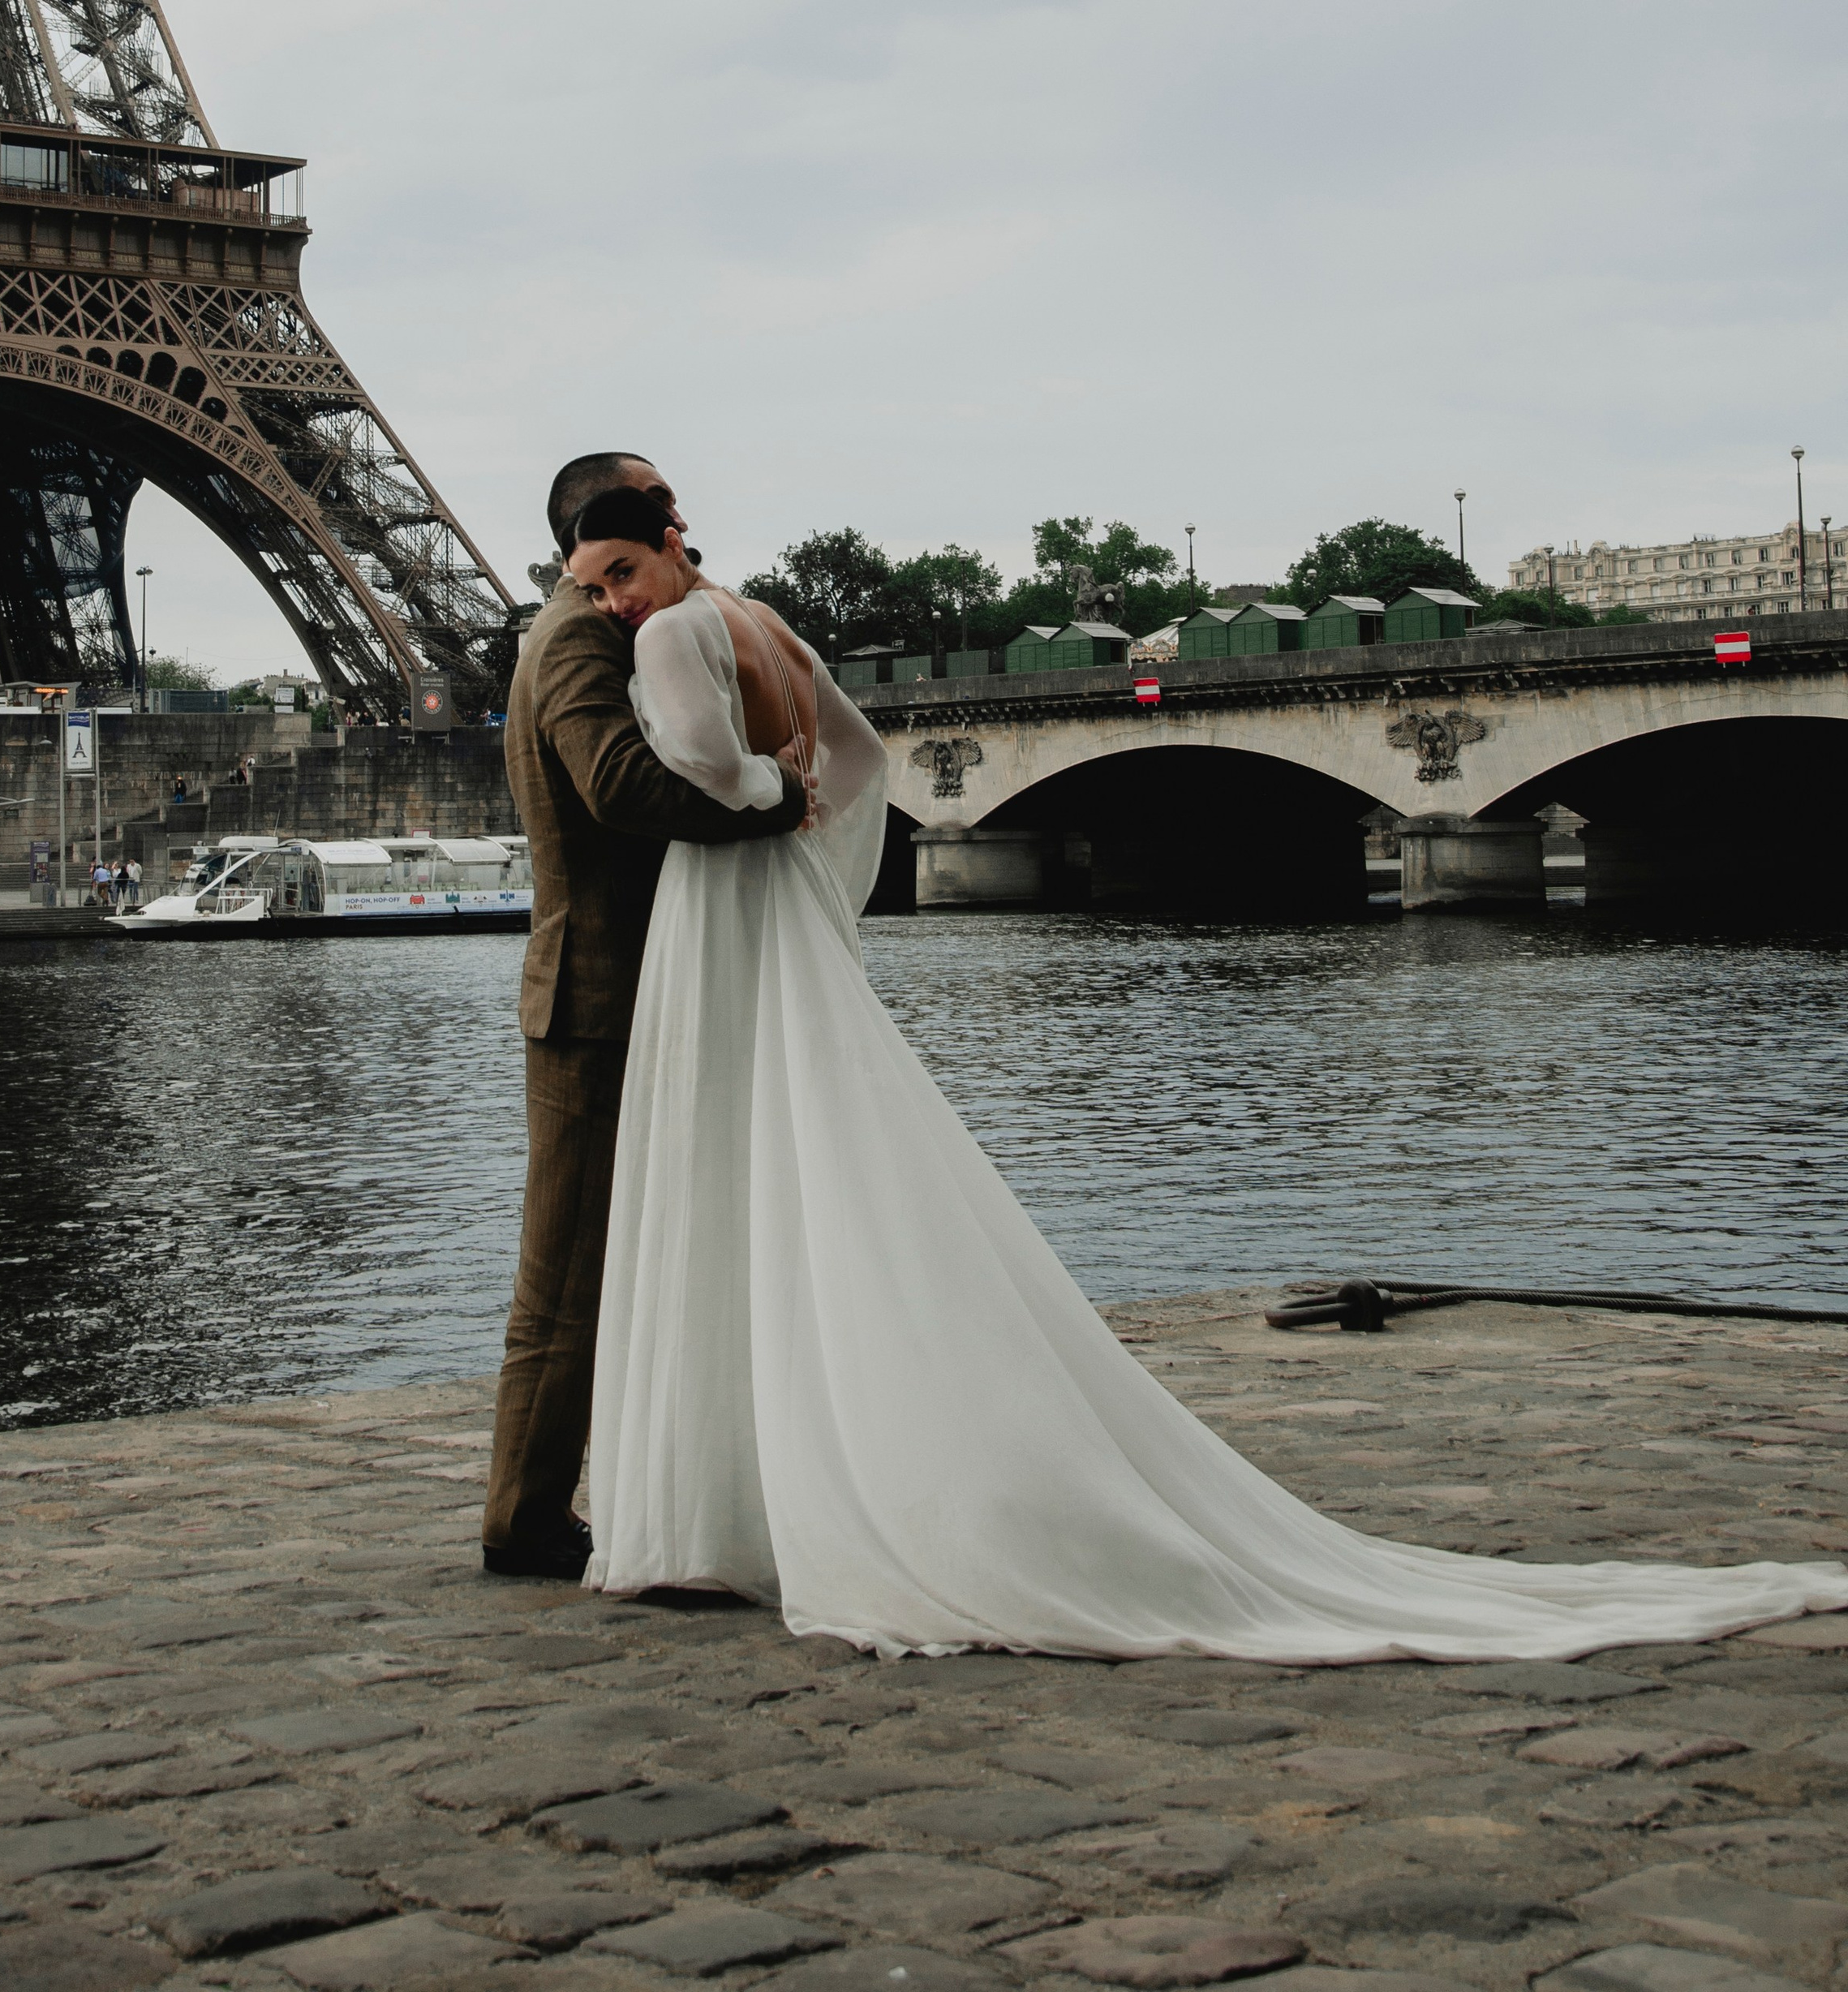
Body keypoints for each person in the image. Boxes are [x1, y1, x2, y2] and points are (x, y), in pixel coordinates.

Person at [568, 486, 1848, 1661]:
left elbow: (689, 758)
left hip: (725, 900)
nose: (614, 600)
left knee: (716, 1160)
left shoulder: (672, 637)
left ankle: (713, 1504)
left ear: (674, 537)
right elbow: (864, 764)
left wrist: (751, 799)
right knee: (819, 1159)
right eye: (594, 586)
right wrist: (814, 834)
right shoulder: (767, 624)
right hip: (783, 909)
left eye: (621, 569)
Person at [483, 451, 811, 1582]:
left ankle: (592, 1496)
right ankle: (523, 1520)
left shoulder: (612, 623)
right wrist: (771, 807)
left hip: (631, 982)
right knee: (569, 1272)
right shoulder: (575, 634)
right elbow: (616, 785)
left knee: (610, 1259)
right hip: (598, 990)